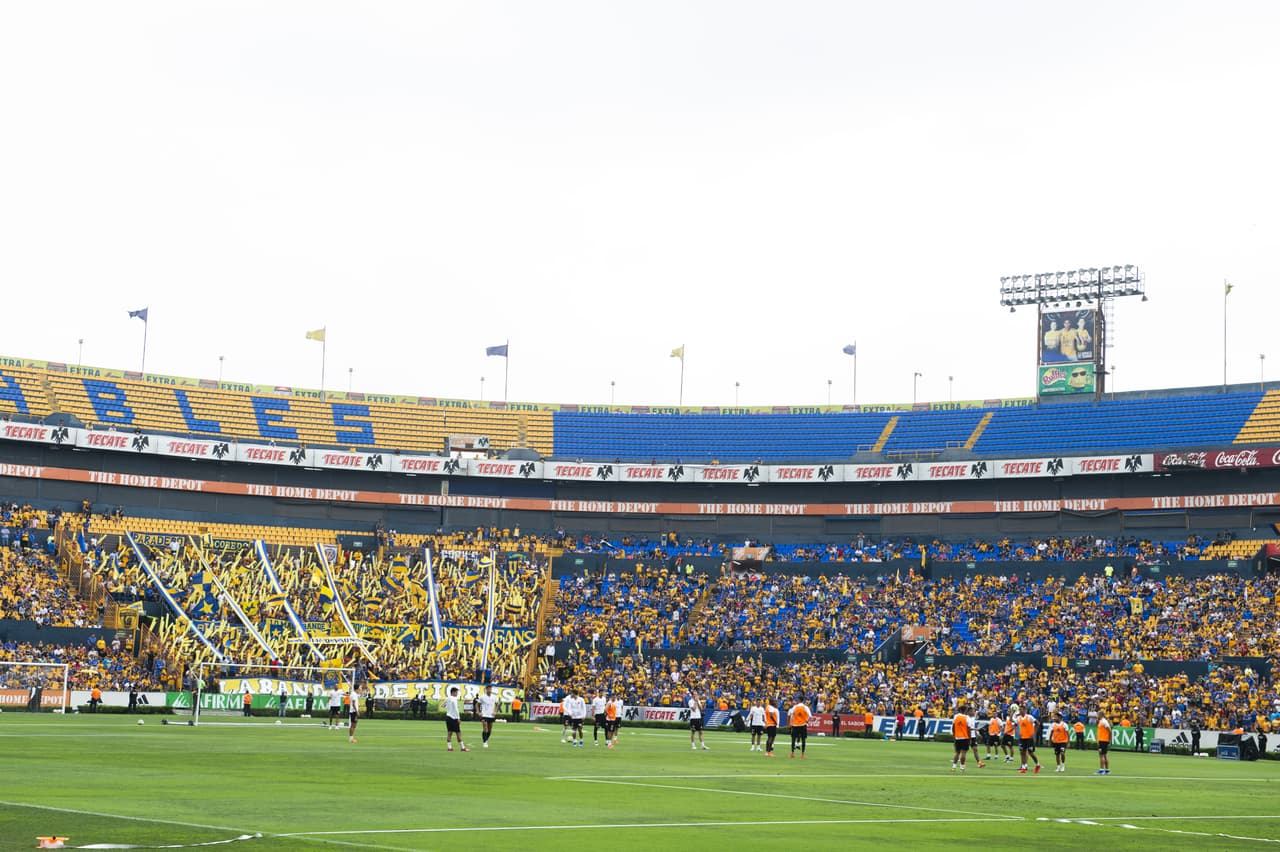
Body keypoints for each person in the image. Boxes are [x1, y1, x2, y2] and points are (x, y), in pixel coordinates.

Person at [443, 686, 468, 752]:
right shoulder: (454, 699)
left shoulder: (447, 698)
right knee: (458, 733)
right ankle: (462, 748)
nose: (457, 693)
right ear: (453, 692)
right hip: (453, 718)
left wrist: (448, 708)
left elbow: (443, 705)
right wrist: (458, 718)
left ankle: (449, 747)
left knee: (449, 733)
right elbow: (456, 709)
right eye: (456, 692)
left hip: (448, 717)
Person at [1017, 708, 1041, 774]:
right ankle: (1024, 768)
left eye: (1021, 709)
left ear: (1025, 710)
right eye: (1019, 710)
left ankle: (1038, 765)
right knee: (1022, 752)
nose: (1020, 711)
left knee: (1030, 753)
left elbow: (1037, 723)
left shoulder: (1029, 717)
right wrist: (1017, 732)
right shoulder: (1019, 718)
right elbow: (1014, 723)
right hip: (1022, 738)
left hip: (1029, 738)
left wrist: (1034, 732)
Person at [951, 705, 973, 772]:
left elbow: (953, 727)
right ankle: (962, 767)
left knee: (957, 752)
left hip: (957, 737)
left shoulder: (956, 716)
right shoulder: (967, 718)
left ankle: (954, 766)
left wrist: (954, 735)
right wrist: (970, 738)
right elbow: (968, 729)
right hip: (965, 737)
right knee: (963, 753)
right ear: (965, 710)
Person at [475, 684, 498, 749]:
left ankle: (486, 739)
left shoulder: (494, 697)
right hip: (484, 714)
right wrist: (478, 712)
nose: (490, 690)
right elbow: (477, 704)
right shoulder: (482, 697)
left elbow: (496, 705)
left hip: (491, 715)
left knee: (490, 729)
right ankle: (485, 742)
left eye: (490, 689)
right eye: (488, 689)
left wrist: (495, 711)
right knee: (485, 728)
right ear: (486, 689)